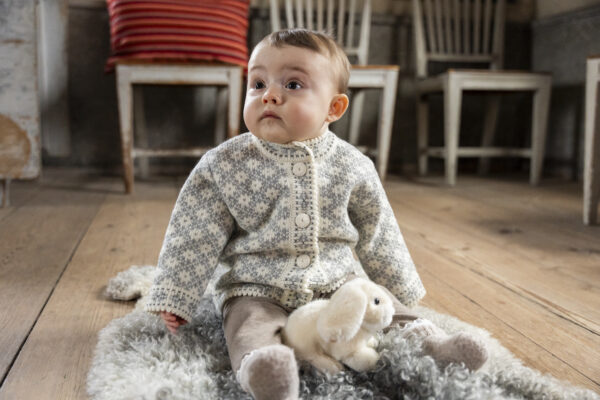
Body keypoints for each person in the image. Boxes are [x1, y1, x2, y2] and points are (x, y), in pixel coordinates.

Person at [145, 28, 487, 400]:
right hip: (255, 287)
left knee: (385, 307)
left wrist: (399, 287)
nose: (269, 95)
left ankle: (434, 346)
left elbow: (379, 230)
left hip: (338, 281)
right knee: (248, 324)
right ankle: (264, 369)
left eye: (292, 85)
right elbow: (193, 233)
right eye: (257, 84)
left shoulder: (352, 165)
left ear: (333, 109)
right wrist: (176, 295)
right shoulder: (224, 164)